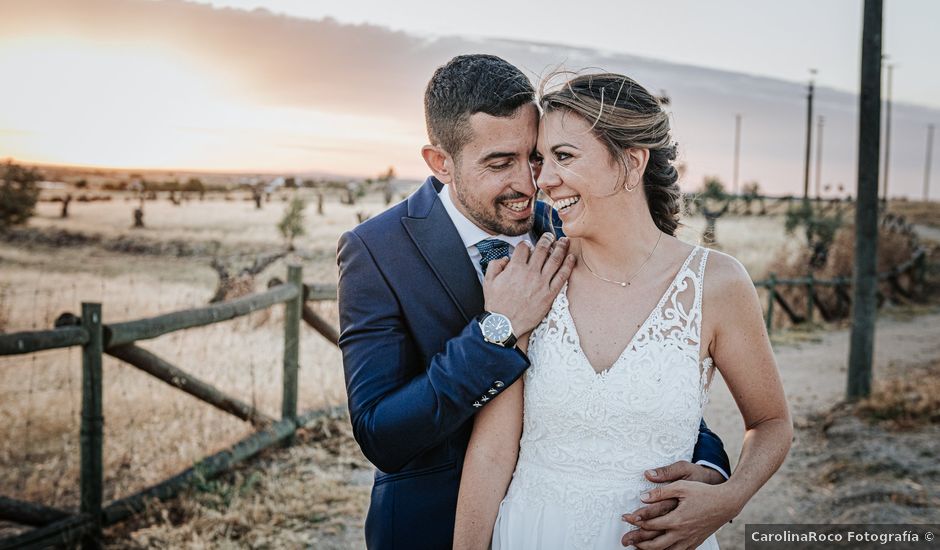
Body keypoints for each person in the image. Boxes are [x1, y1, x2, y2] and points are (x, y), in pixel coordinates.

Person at [337, 56, 732, 549]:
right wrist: (496, 331)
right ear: (441, 163)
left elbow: (631, 374)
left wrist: (711, 463)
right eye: (501, 163)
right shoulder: (376, 250)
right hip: (430, 529)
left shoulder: (565, 227)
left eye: (536, 157)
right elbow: (381, 435)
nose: (530, 184)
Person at [454, 73, 792, 549]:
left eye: (563, 157)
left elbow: (771, 423)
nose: (543, 180)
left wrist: (729, 499)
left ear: (631, 163)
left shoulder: (717, 284)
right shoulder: (531, 280)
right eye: (540, 160)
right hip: (535, 531)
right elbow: (491, 451)